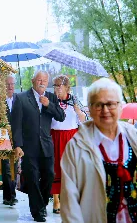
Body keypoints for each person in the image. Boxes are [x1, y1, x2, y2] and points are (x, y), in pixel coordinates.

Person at [60, 78, 137, 223]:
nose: (105, 110)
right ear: (90, 109)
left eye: (110, 104)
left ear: (120, 107)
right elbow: (69, 203)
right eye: (98, 105)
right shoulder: (76, 147)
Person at [11, 70, 65, 222]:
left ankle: (41, 204)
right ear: (33, 81)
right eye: (39, 79)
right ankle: (38, 212)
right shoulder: (21, 98)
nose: (42, 82)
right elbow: (16, 125)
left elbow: (61, 116)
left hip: (47, 146)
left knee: (49, 175)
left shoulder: (51, 97)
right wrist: (18, 145)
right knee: (33, 179)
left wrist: (49, 106)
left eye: (45, 80)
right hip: (28, 147)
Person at [50, 75, 87, 214]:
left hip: (71, 137)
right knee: (55, 168)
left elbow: (84, 120)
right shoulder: (51, 100)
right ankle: (56, 200)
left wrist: (78, 111)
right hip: (55, 136)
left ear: (67, 87)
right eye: (55, 85)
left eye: (59, 85)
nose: (57, 88)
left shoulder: (75, 100)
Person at [2, 74, 18, 206]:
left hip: (17, 138)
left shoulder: (19, 99)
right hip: (4, 138)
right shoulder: (0, 102)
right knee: (7, 167)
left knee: (15, 166)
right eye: (8, 84)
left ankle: (11, 194)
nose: (10, 86)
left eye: (12, 84)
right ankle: (9, 196)